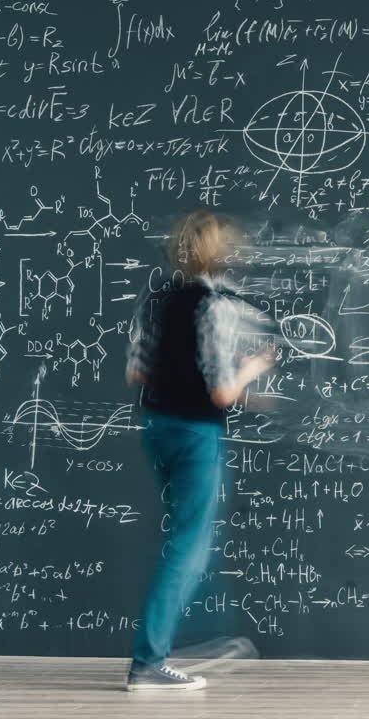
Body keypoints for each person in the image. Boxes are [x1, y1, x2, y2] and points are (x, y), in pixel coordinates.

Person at [123, 209, 274, 691]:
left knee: (188, 538)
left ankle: (197, 640)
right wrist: (254, 367)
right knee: (189, 544)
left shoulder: (156, 299)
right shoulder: (216, 306)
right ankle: (150, 661)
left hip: (157, 428)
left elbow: (137, 372)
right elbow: (222, 393)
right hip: (195, 433)